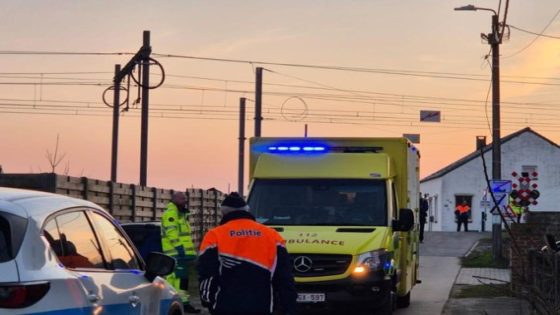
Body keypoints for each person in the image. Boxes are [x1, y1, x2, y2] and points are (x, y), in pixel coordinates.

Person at [197, 192, 297, 315]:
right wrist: (289, 305)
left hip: (225, 305)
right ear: (247, 211)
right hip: (263, 305)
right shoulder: (272, 235)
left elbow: (207, 273)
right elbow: (285, 277)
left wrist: (208, 301)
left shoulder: (214, 235)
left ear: (223, 213)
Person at [161, 191, 200, 314]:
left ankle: (182, 302)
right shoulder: (171, 214)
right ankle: (182, 303)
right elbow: (171, 232)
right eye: (183, 199)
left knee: (181, 279)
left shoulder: (180, 214)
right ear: (175, 199)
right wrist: (179, 247)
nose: (185, 201)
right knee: (179, 279)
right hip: (175, 253)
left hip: (180, 255)